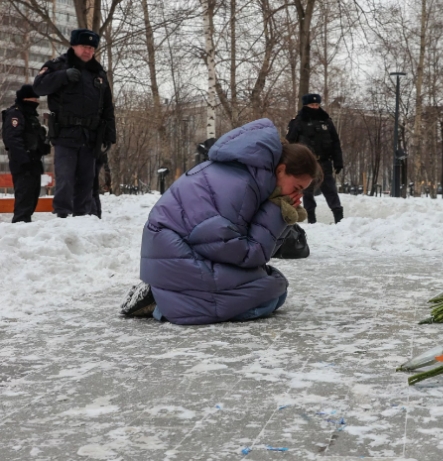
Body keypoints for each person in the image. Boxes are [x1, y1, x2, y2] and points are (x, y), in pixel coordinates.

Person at [119, 119, 322, 325]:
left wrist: (279, 214)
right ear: (281, 170)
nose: (298, 196)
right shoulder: (242, 186)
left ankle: (164, 293)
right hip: (174, 257)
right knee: (267, 296)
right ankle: (160, 302)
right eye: (296, 188)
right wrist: (278, 212)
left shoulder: (249, 176)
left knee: (274, 290)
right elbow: (246, 254)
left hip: (178, 254)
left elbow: (255, 254)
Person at [33, 28, 116, 218]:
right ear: (74, 46)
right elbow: (38, 87)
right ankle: (62, 217)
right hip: (65, 135)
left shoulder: (99, 73)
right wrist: (62, 76)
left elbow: (107, 108)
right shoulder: (58, 65)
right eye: (84, 46)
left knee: (87, 182)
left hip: (90, 137)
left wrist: (109, 137)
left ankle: (82, 219)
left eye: (91, 48)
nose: (88, 51)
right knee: (65, 181)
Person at [286, 93, 344, 224]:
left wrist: (338, 161)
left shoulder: (326, 121)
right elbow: (290, 143)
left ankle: (339, 218)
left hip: (324, 162)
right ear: (306, 105)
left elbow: (335, 142)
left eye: (317, 104)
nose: (314, 107)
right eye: (312, 105)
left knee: (330, 190)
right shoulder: (298, 122)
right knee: (307, 191)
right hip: (306, 163)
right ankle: (311, 219)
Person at [1, 85, 51, 223]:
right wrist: (24, 160)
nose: (36, 101)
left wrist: (42, 146)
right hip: (23, 163)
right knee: (24, 198)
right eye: (34, 98)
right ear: (26, 98)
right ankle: (20, 225)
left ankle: (25, 224)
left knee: (32, 197)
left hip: (33, 161)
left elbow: (33, 137)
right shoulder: (16, 114)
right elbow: (12, 139)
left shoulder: (29, 116)